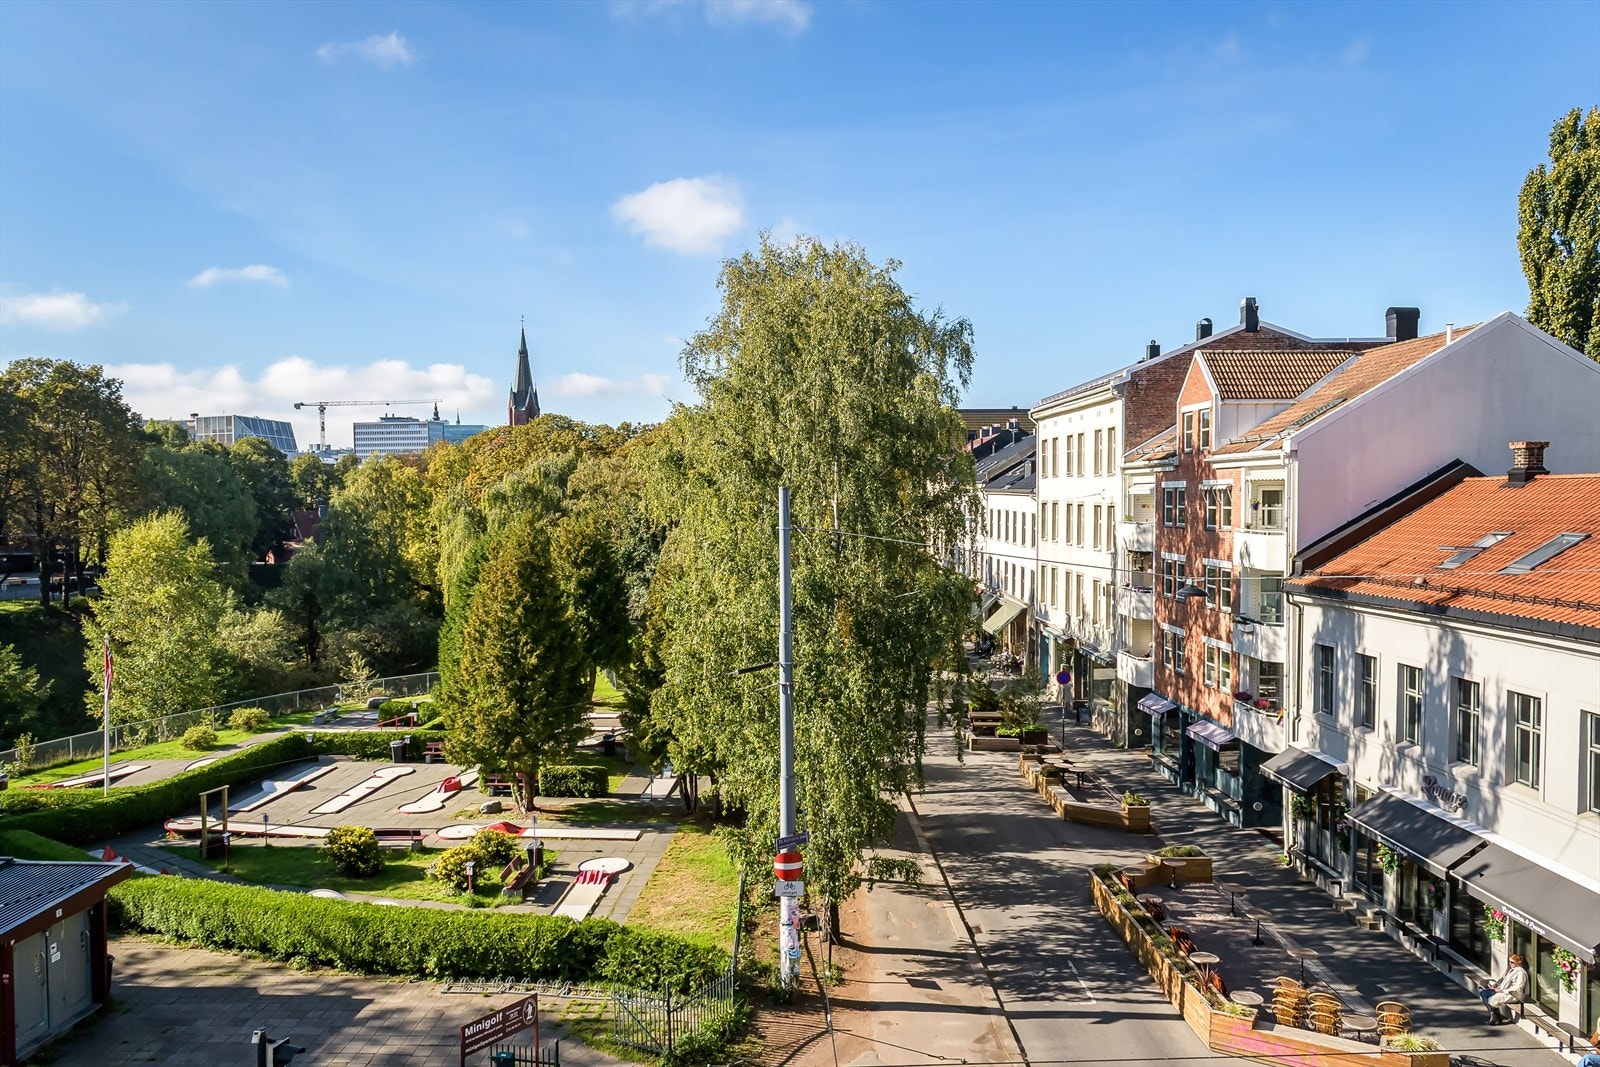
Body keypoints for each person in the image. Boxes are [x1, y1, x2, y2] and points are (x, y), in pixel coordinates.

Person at [1478, 953, 1528, 1024]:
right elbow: (1503, 980)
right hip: (1502, 990)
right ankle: (1495, 1015)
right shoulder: (1511, 969)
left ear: (1518, 962)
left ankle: (1495, 1017)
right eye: (1509, 962)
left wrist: (1502, 990)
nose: (1510, 963)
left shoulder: (1521, 973)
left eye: (1512, 962)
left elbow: (1518, 987)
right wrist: (1496, 985)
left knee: (1492, 999)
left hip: (1513, 994)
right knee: (1483, 993)